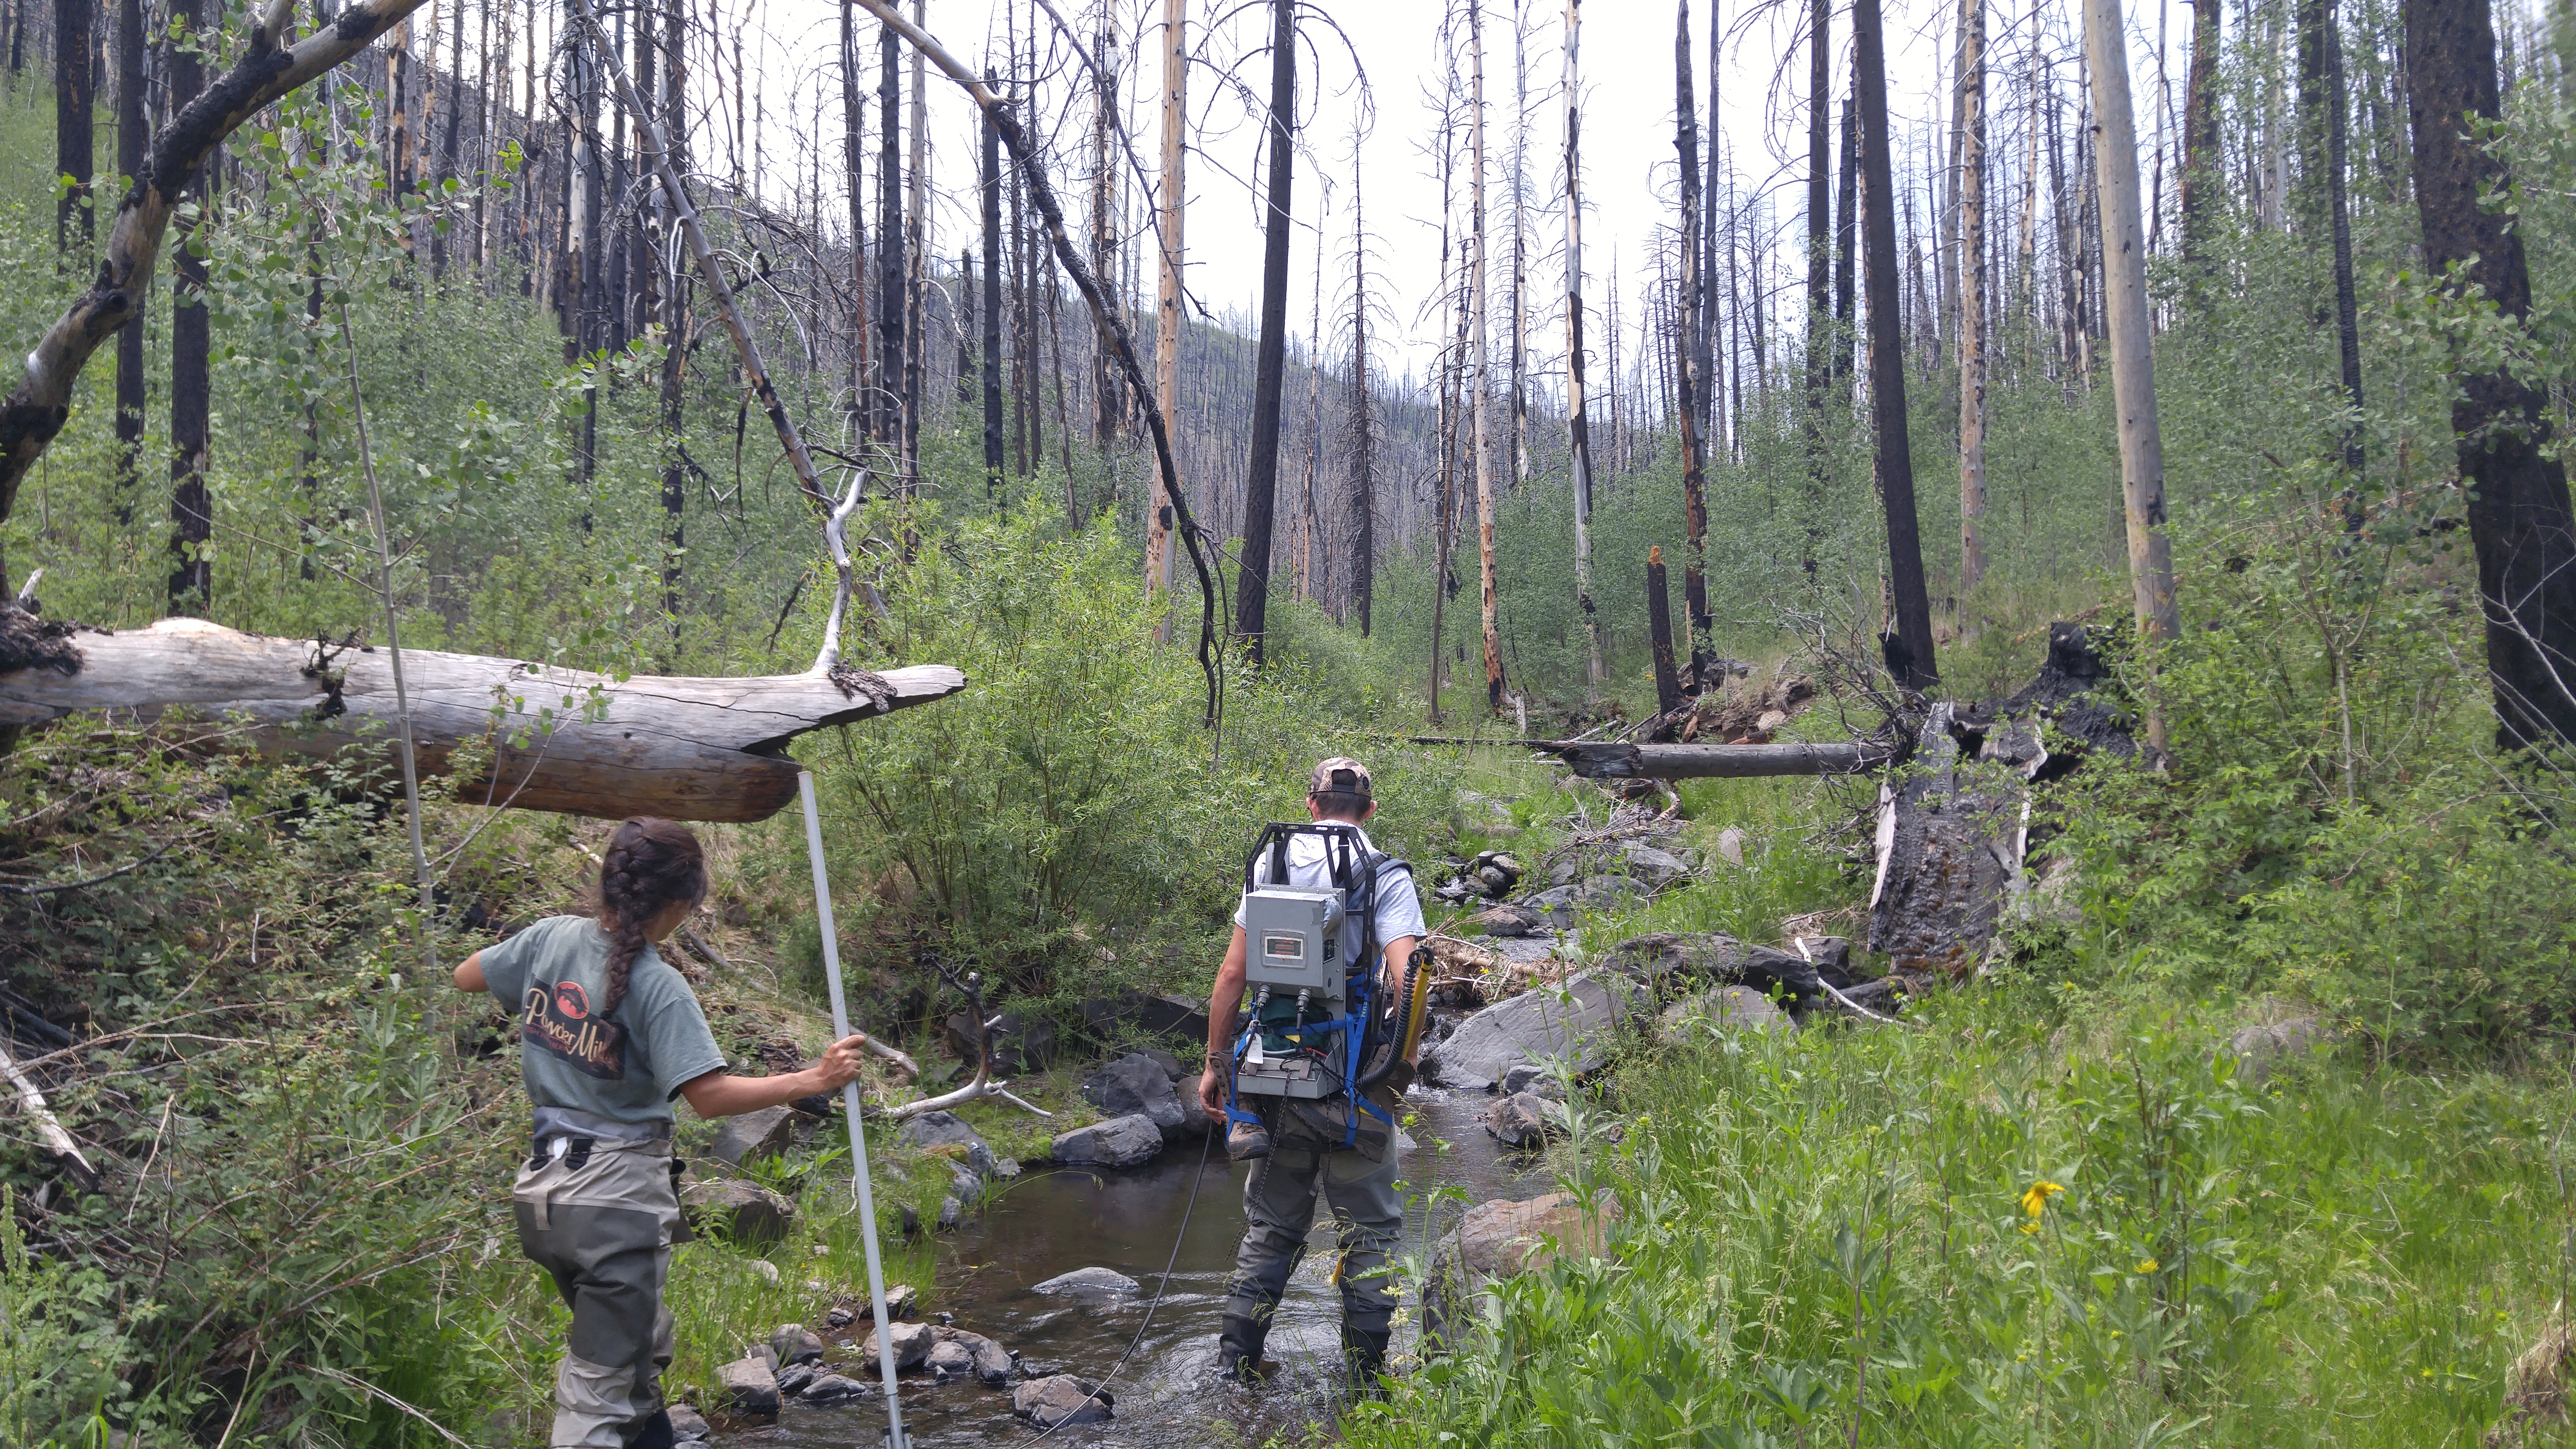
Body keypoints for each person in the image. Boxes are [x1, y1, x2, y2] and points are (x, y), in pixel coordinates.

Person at [451, 817, 872, 1449]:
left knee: (640, 1348)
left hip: (544, 1195)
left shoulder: (549, 938)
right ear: (679, 905)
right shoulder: (658, 986)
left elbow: (466, 976)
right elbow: (710, 1098)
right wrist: (814, 1078)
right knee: (593, 1398)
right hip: (614, 1205)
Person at [1196, 757, 1426, 1385]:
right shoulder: (1385, 875)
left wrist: (1218, 1066)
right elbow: (1409, 978)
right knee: (1372, 1234)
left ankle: (1234, 1370)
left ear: (1312, 804)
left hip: (1271, 1078)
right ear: (1370, 811)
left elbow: (1231, 977)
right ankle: (1365, 1385)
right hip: (1353, 1085)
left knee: (1272, 1227)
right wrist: (1399, 1067)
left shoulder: (1269, 866)